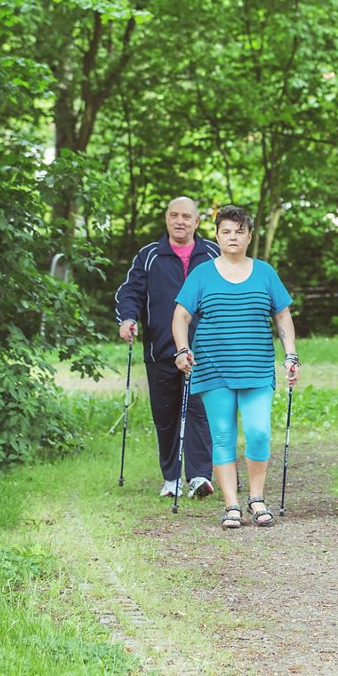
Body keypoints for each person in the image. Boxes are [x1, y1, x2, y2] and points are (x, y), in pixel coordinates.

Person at [172, 205, 300, 529]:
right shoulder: (201, 273)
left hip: (256, 368)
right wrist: (182, 349)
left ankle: (256, 498)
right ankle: (231, 504)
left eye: (239, 231)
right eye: (226, 231)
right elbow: (181, 317)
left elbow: (282, 315)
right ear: (216, 235)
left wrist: (291, 355)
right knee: (223, 436)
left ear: (249, 236)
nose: (232, 237)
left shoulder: (265, 272)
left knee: (258, 433)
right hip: (213, 368)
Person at [115, 197, 220, 500]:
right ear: (166, 219)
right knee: (166, 415)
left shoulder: (213, 253)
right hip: (160, 350)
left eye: (186, 216)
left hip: (204, 350)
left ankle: (200, 476)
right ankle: (171, 477)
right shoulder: (149, 256)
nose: (180, 221)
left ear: (197, 222)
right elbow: (130, 292)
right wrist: (128, 318)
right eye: (174, 215)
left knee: (201, 412)